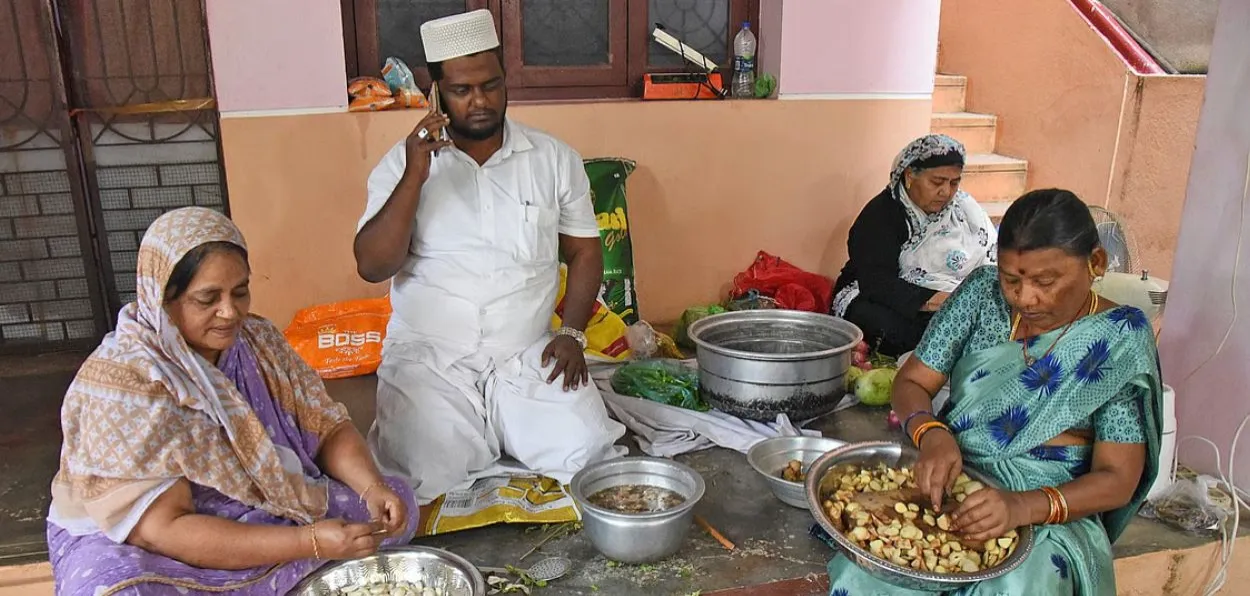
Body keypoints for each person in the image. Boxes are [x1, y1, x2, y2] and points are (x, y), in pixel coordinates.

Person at [46, 208, 417, 595]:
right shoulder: (125, 383)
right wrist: (308, 543)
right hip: (142, 538)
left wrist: (372, 488)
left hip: (257, 506)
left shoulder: (259, 342)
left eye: (240, 292)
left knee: (396, 507)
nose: (230, 311)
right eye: (207, 298)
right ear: (162, 299)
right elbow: (162, 530)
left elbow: (326, 427)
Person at [826, 189, 1162, 595]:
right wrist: (931, 434)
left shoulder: (1119, 338)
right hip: (954, 478)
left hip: (1048, 507)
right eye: (1012, 279)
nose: (1025, 297)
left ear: (1095, 263)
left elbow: (1118, 479)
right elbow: (913, 381)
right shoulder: (982, 294)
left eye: (1045, 281)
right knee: (871, 573)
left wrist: (1022, 507)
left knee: (1019, 586)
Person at [353, 9, 626, 504]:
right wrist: (415, 175)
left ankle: (499, 426)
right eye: (461, 90)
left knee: (585, 451)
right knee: (426, 471)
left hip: (525, 352)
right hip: (431, 357)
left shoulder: (552, 158)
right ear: (436, 91)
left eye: (491, 85)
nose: (479, 101)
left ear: (505, 82)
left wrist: (570, 333)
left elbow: (585, 252)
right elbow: (373, 265)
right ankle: (477, 431)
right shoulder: (401, 163)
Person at [832, 134, 997, 356]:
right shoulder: (881, 214)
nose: (946, 192)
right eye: (937, 182)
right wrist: (940, 301)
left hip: (953, 296)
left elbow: (990, 258)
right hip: (882, 294)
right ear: (909, 176)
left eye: (954, 182)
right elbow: (877, 283)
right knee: (881, 323)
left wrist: (962, 300)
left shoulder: (965, 212)